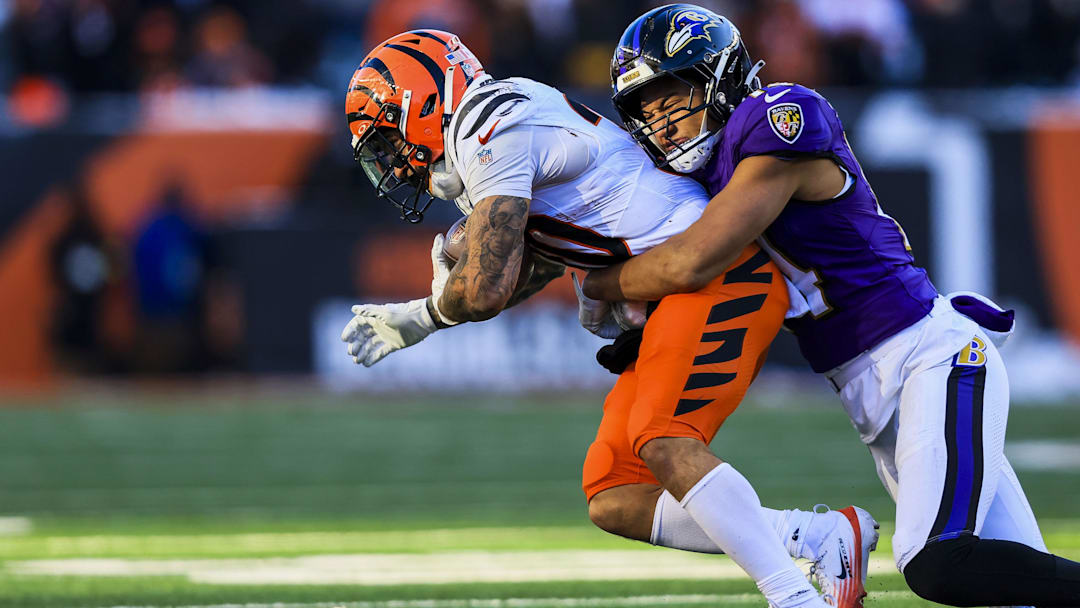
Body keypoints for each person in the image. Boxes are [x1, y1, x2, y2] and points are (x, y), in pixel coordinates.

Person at [340, 29, 877, 608]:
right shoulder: (493, 126)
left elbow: (489, 287)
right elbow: (532, 266)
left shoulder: (488, 124)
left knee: (665, 441)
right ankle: (818, 537)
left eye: (389, 139)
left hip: (715, 274)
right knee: (615, 492)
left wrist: (423, 316)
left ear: (421, 103)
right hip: (670, 291)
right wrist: (452, 292)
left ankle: (792, 596)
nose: (393, 162)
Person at [583, 4, 1080, 606]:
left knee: (939, 563)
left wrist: (599, 283)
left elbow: (693, 260)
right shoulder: (703, 179)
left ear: (719, 74)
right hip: (869, 388)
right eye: (646, 111)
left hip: (928, 356)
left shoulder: (776, 117)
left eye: (672, 98)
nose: (661, 124)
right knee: (1012, 590)